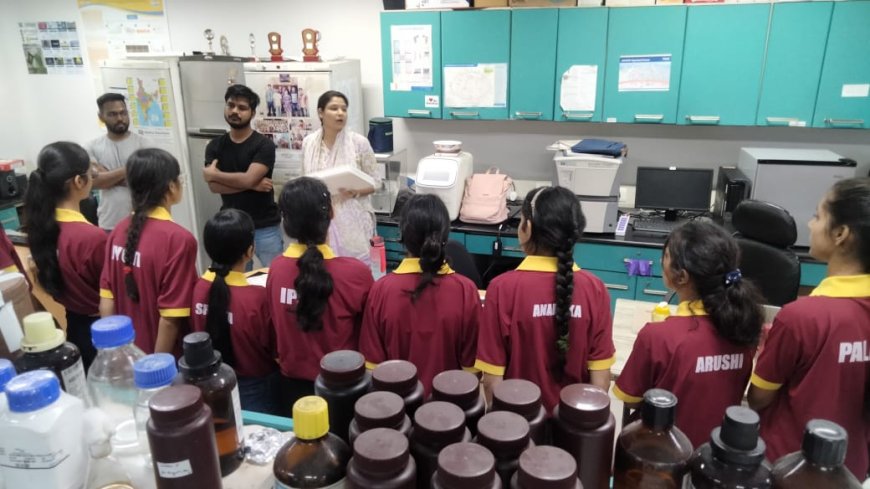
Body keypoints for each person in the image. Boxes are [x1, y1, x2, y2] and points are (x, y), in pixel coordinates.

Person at [748, 177, 870, 479]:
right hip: (851, 469)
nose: (811, 224)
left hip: (791, 467)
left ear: (841, 233)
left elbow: (758, 397)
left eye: (818, 215)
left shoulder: (803, 317)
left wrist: (766, 353)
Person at [613, 221, 765, 447]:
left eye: (665, 256)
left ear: (681, 277)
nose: (660, 261)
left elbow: (630, 398)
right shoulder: (745, 326)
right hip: (717, 454)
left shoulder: (658, 336)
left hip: (663, 454)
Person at [475, 186, 615, 411]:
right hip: (574, 427)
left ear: (527, 227)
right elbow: (601, 380)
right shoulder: (596, 290)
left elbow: (492, 382)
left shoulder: (502, 289)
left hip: (519, 427)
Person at [266, 177, 373, 416]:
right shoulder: (355, 273)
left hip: (292, 392)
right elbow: (370, 334)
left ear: (285, 222)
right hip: (344, 389)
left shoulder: (277, 269)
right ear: (332, 213)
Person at [359, 194, 480, 395]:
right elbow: (472, 372)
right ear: (445, 236)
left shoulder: (381, 291)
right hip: (451, 414)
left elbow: (373, 369)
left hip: (396, 413)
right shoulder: (465, 291)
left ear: (402, 235)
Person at [99, 148, 197, 355]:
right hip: (163, 358)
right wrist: (156, 367)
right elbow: (170, 317)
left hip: (125, 352)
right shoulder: (178, 239)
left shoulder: (118, 231)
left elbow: (107, 300)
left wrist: (113, 353)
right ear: (172, 187)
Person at [23, 142, 107, 370]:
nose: (93, 177)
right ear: (79, 182)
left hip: (73, 327)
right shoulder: (91, 237)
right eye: (91, 173)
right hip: (101, 331)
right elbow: (112, 293)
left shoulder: (41, 228)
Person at [192, 209, 278, 414]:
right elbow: (275, 350)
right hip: (256, 388)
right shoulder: (257, 297)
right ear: (250, 250)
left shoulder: (199, 288)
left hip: (210, 383)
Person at [203, 84, 283, 268]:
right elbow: (213, 186)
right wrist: (252, 184)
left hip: (265, 225)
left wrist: (216, 174)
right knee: (229, 282)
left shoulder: (264, 145)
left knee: (275, 275)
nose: (235, 111)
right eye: (231, 105)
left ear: (252, 113)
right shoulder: (215, 146)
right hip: (230, 224)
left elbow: (218, 178)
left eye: (242, 108)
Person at [302, 90, 381, 265]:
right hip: (319, 219)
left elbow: (376, 182)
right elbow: (305, 181)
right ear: (320, 112)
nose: (340, 113)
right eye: (334, 108)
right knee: (323, 271)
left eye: (344, 109)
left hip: (353, 221)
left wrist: (355, 191)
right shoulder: (308, 143)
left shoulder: (358, 143)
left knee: (353, 271)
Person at [86, 93, 153, 231]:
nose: (120, 118)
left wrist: (107, 176)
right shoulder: (91, 147)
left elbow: (148, 183)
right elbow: (94, 182)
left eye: (123, 113)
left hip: (144, 220)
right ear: (101, 117)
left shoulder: (145, 144)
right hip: (109, 222)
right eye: (112, 114)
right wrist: (132, 167)